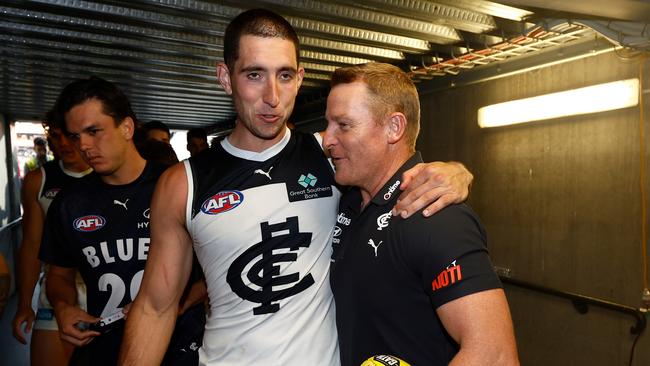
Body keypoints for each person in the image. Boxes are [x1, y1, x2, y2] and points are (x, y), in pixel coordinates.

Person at [119, 9, 473, 366]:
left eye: (284, 75)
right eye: (254, 74)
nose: (272, 96)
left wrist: (456, 171)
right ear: (226, 78)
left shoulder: (331, 157)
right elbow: (154, 308)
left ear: (300, 78)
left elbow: (394, 160)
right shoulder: (183, 184)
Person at [324, 63, 519, 365]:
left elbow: (495, 355)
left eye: (344, 125)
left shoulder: (434, 216)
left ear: (394, 128)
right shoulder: (348, 201)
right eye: (329, 125)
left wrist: (460, 173)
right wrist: (459, 168)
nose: (327, 140)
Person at [38, 76, 168, 366]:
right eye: (74, 136)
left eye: (93, 131)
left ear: (127, 127)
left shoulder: (176, 187)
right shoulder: (69, 205)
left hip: (178, 347)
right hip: (105, 348)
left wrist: (167, 306)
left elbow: (212, 276)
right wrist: (63, 306)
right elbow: (59, 275)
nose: (83, 145)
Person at [12, 115, 93, 366]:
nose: (63, 144)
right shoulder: (39, 180)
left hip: (106, 295)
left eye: (70, 135)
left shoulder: (108, 175)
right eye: (55, 136)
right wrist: (25, 304)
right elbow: (32, 245)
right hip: (55, 295)